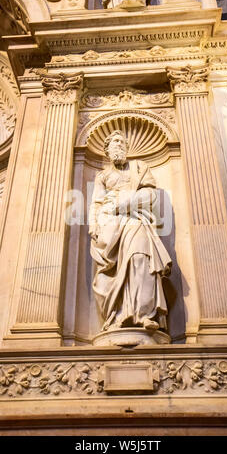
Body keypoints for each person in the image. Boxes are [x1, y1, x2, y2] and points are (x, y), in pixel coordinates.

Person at [89, 130, 171, 332]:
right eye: (114, 142)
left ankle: (143, 314)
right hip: (110, 222)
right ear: (107, 149)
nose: (119, 145)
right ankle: (119, 315)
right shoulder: (103, 175)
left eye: (122, 142)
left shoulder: (139, 168)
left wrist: (126, 203)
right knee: (113, 269)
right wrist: (94, 224)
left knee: (141, 258)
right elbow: (97, 202)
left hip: (136, 218)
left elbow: (150, 194)